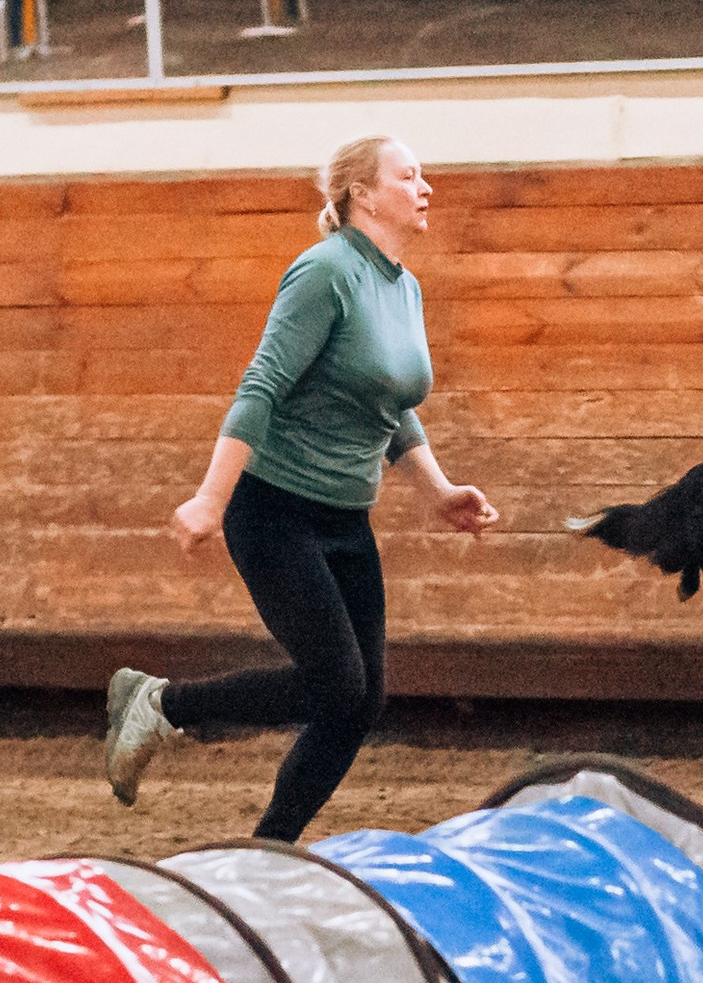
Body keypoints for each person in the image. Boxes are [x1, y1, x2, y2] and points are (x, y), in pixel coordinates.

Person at [103, 135, 497, 839]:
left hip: (346, 517)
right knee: (335, 685)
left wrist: (436, 488)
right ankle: (162, 706)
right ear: (363, 195)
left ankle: (271, 846)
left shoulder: (402, 286)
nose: (426, 186)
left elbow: (390, 398)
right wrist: (210, 499)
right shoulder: (324, 274)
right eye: (409, 176)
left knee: (359, 700)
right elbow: (262, 385)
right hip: (274, 510)